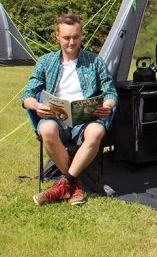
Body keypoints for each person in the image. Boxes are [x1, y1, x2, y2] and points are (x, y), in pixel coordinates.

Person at [21, 13, 117, 206]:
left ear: (81, 36)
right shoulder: (46, 61)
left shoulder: (94, 61)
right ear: (57, 36)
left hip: (85, 120)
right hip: (55, 119)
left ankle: (64, 184)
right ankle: (74, 185)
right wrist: (36, 105)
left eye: (76, 37)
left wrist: (107, 105)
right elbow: (27, 94)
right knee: (46, 129)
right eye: (66, 37)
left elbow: (110, 91)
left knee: (97, 131)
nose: (72, 42)